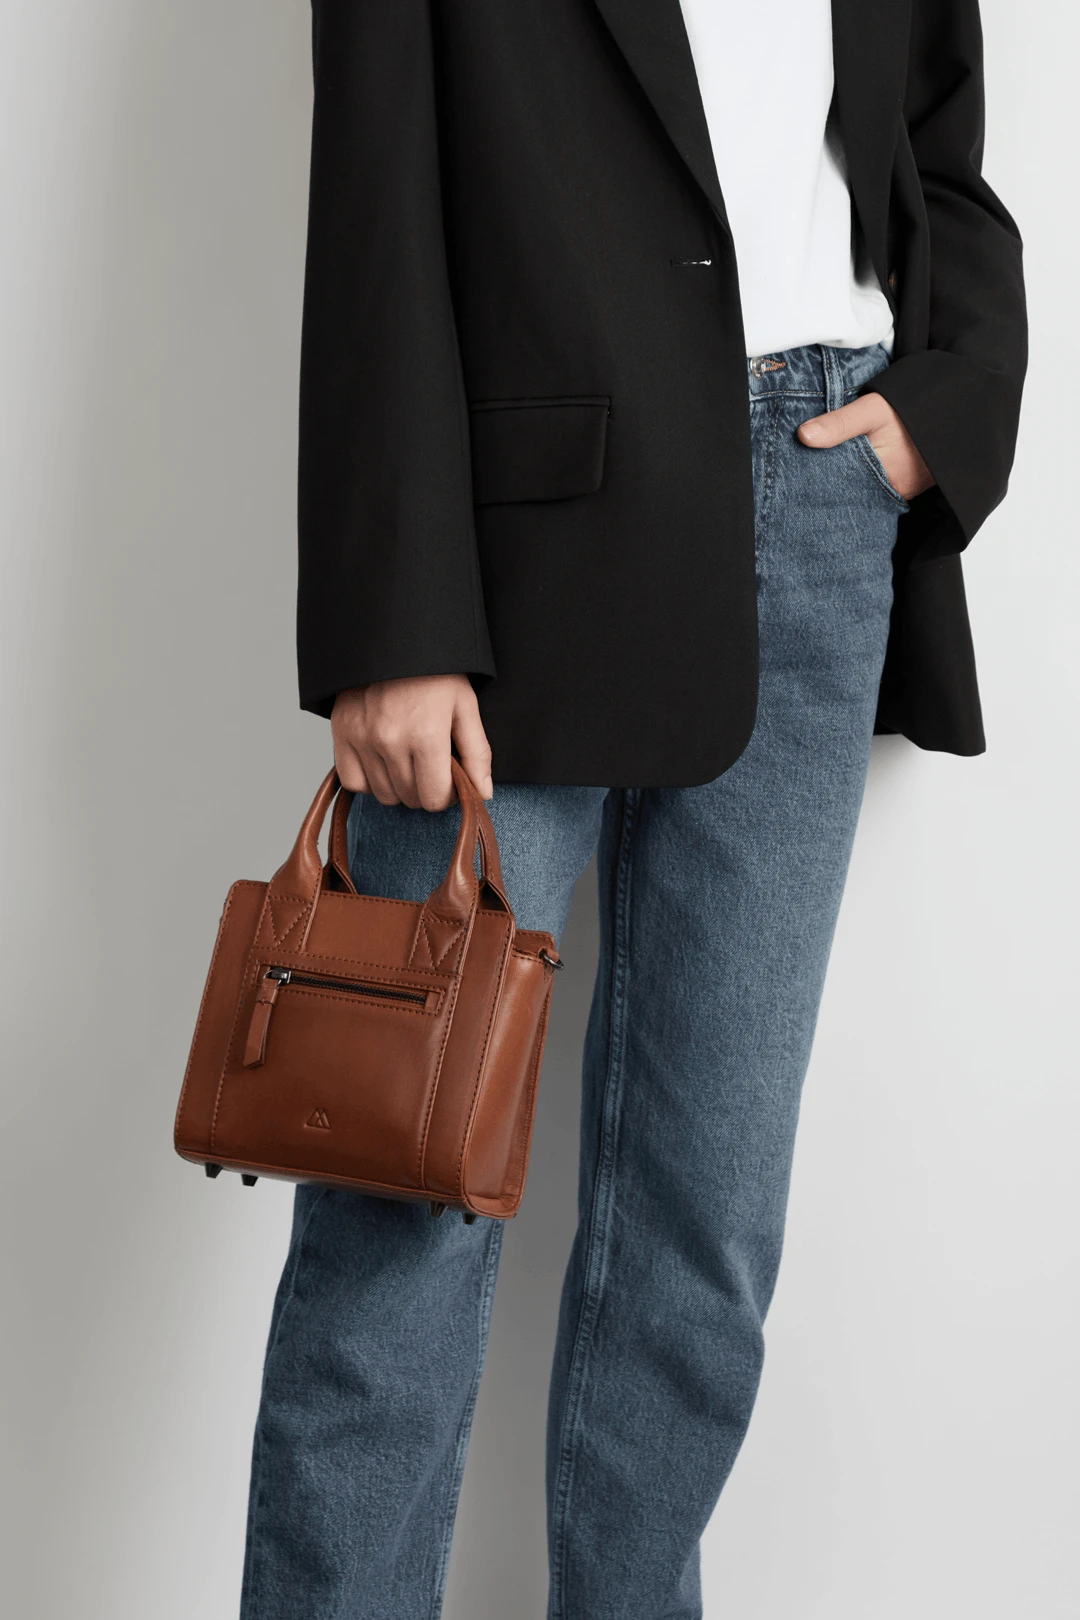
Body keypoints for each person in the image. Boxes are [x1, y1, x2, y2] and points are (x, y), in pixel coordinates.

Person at [240, 2, 1026, 1615]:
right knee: (407, 1202)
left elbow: (937, 132)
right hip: (514, 559)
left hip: (826, 495)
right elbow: (378, 180)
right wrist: (394, 620)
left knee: (704, 1230)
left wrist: (945, 408)